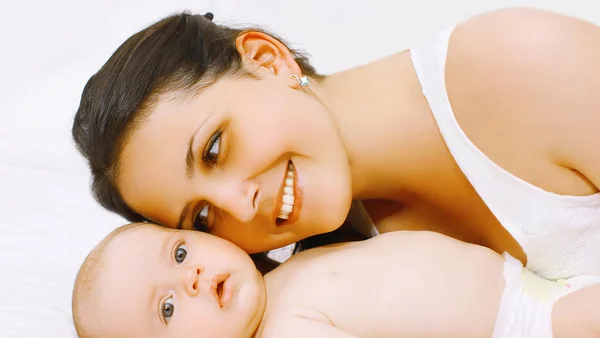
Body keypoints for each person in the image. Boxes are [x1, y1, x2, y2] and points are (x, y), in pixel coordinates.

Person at [72, 7, 600, 277]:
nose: (239, 205)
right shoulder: (335, 276)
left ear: (267, 59)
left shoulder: (516, 63)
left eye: (214, 149)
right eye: (203, 219)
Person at [72, 223, 597, 338]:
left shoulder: (284, 269)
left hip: (540, 283)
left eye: (180, 252)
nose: (189, 278)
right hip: (531, 328)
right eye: (166, 309)